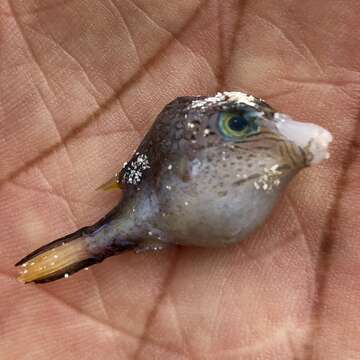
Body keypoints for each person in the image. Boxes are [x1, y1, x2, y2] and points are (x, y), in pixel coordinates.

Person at [1, 1, 359, 358]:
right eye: (237, 124)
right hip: (165, 201)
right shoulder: (188, 180)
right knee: (102, 239)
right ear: (189, 168)